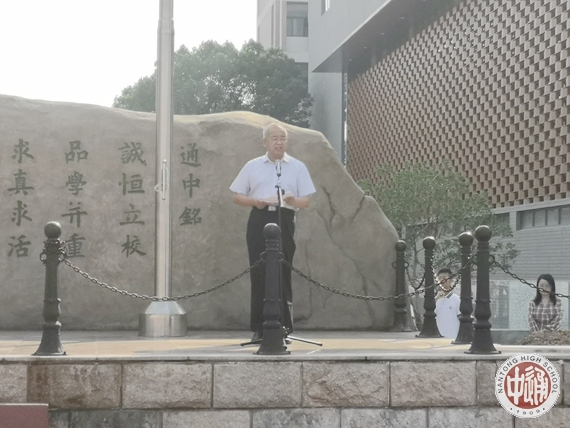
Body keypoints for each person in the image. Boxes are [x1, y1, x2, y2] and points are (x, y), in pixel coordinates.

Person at [230, 123, 316, 341]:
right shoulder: (253, 166)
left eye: (283, 138)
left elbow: (306, 200)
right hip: (260, 217)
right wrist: (256, 201)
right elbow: (237, 196)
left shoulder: (297, 166)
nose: (279, 142)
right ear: (265, 142)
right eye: (275, 138)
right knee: (259, 271)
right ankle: (260, 327)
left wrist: (293, 200)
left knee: (282, 270)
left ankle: (283, 326)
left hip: (284, 218)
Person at [434, 268, 460, 339]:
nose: (442, 280)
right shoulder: (435, 300)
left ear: (451, 280)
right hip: (436, 339)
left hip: (452, 337)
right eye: (439, 278)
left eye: (444, 278)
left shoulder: (457, 300)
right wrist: (436, 299)